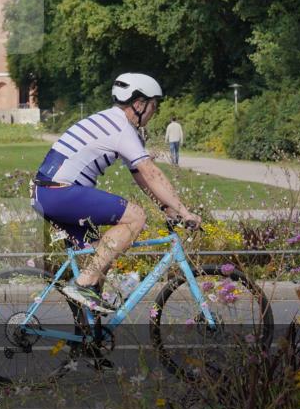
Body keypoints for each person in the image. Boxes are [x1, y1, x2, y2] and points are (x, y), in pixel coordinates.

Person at [31, 73, 201, 313]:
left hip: (47, 195)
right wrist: (185, 212)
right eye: (154, 105)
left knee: (102, 255)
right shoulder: (121, 127)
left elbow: (140, 175)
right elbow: (150, 172)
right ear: (139, 104)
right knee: (136, 216)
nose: (154, 112)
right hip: (60, 193)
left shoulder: (110, 121)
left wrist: (167, 207)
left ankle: (88, 339)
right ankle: (84, 284)